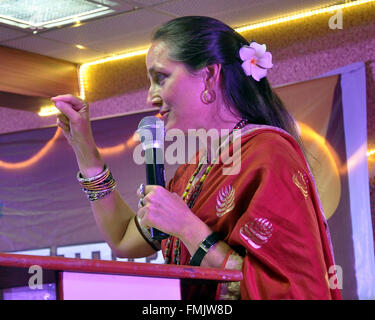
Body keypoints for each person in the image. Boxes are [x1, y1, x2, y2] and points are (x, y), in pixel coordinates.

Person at [52, 16, 342, 300]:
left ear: (209, 76)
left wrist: (186, 227)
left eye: (160, 78)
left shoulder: (268, 154)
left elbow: (290, 290)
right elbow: (124, 240)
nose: (150, 96)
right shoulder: (194, 170)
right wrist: (85, 149)